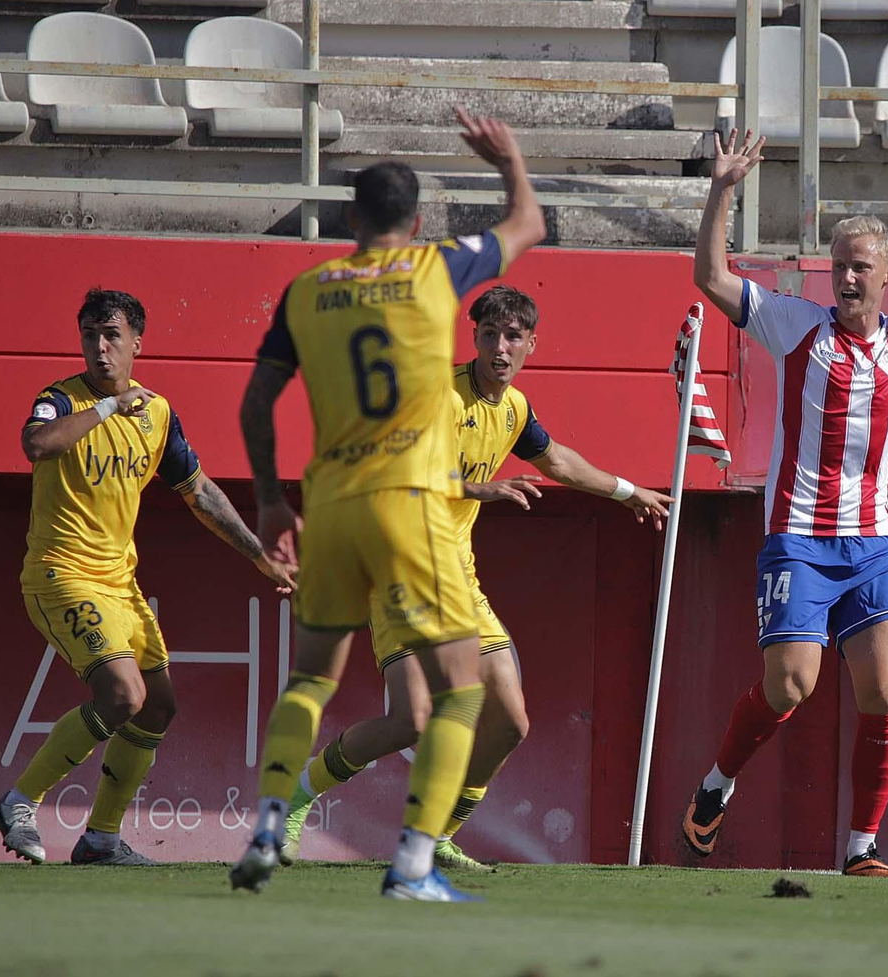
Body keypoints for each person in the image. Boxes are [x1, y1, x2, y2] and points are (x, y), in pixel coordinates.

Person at [679, 132, 888, 877]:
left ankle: (862, 848)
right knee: (791, 685)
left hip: (871, 544)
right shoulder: (794, 322)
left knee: (884, 682)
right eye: (839, 266)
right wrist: (723, 188)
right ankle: (715, 786)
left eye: (861, 267)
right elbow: (710, 274)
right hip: (797, 538)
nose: (846, 278)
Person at [231, 108, 546, 901]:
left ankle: (270, 820)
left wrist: (272, 502)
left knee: (309, 679)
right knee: (461, 692)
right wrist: (508, 159)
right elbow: (530, 222)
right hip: (408, 504)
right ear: (414, 222)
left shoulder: (308, 288)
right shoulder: (436, 268)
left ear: (349, 219)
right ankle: (413, 862)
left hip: (330, 504)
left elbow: (256, 401)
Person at [279, 285, 673, 871]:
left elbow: (558, 461)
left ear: (531, 345)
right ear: (475, 339)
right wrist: (475, 488)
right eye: (489, 334)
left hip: (458, 580)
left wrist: (627, 491)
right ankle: (295, 798)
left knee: (511, 720)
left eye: (513, 336)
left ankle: (436, 832)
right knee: (407, 722)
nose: (500, 347)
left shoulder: (514, 410)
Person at [0, 288, 297, 866]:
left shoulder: (157, 413)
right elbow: (35, 444)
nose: (100, 348)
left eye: (111, 336)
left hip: (119, 585)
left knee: (156, 706)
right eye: (89, 335)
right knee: (123, 694)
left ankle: (101, 838)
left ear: (137, 343)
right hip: (61, 575)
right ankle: (19, 800)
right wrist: (105, 409)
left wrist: (259, 555)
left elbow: (199, 491)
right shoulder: (59, 400)